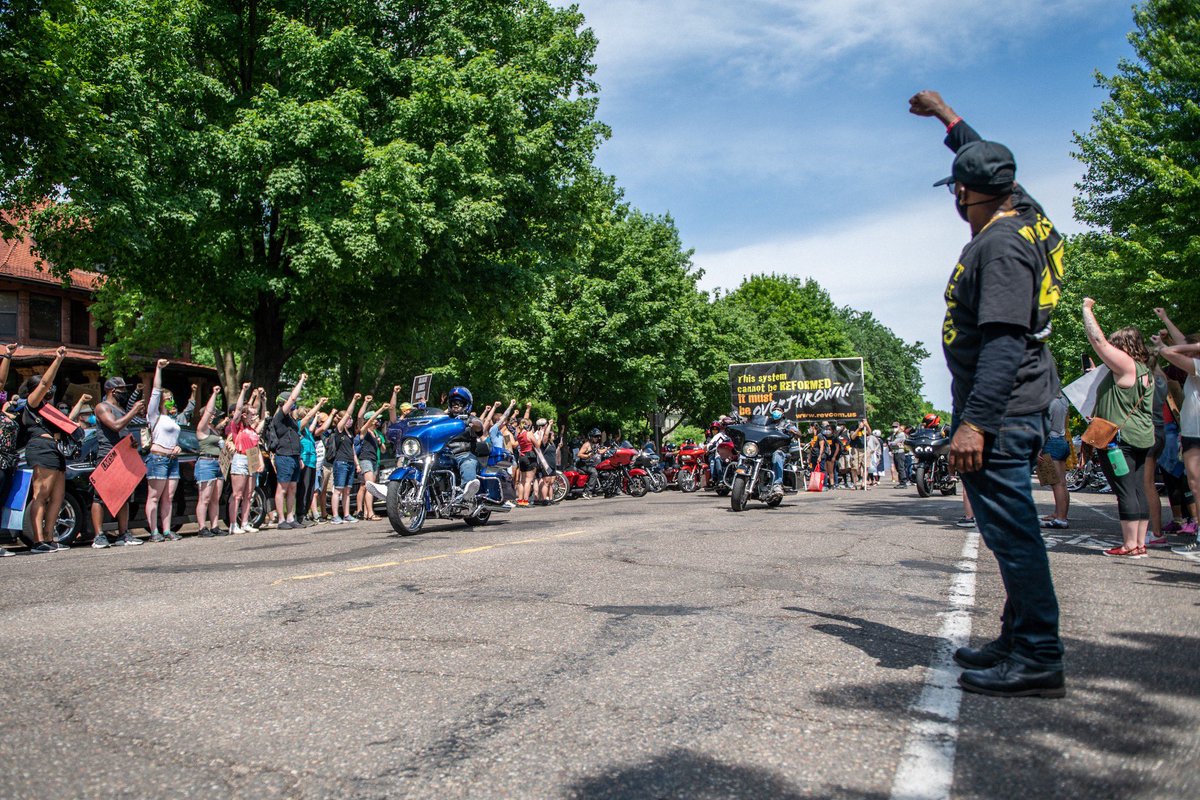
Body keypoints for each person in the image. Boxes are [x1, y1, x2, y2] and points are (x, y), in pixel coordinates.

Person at [912, 89, 1065, 698]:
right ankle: (1017, 634)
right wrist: (948, 117)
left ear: (963, 195)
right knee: (1009, 534)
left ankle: (1038, 655)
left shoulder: (1000, 248)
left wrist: (973, 423)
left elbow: (1003, 342)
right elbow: (985, 156)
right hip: (1018, 402)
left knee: (1012, 535)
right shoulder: (1026, 213)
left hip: (1000, 410)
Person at [1083, 299, 1155, 557]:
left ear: (1124, 347)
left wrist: (1086, 310)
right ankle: (1140, 543)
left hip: (1118, 441)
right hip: (1142, 437)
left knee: (1124, 490)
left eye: (1116, 347)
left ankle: (1129, 544)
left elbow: (1098, 341)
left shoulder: (1126, 366)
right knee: (1137, 489)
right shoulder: (1146, 370)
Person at [17, 347, 71, 553]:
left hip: (55, 450)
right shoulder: (31, 404)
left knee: (58, 496)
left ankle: (50, 536)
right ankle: (38, 541)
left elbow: (68, 425)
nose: (50, 391)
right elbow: (44, 382)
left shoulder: (49, 409)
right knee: (41, 494)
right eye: (47, 389)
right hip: (40, 448)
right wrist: (57, 360)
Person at [1156, 308, 1200, 556]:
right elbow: (1180, 343)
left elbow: (1170, 352)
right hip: (1192, 431)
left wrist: (1165, 344)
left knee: (1196, 485)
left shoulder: (1197, 366)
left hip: (1197, 433)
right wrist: (1165, 319)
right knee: (1194, 484)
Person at [143, 359, 185, 542]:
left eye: (172, 399)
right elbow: (155, 391)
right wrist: (159, 369)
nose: (171, 402)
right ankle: (153, 531)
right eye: (168, 399)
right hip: (158, 458)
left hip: (173, 459)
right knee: (154, 496)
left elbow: (175, 437)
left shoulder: (173, 420)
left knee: (169, 496)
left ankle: (167, 530)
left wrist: (178, 446)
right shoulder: (154, 416)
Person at [192, 386, 229, 538]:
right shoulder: (202, 428)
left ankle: (214, 526)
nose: (213, 415)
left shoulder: (213, 429)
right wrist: (214, 393)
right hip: (206, 463)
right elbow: (208, 411)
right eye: (211, 414)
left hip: (217, 463)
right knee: (204, 497)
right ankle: (202, 527)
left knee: (215, 498)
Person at [227, 383, 261, 534]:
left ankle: (245, 522)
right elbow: (239, 409)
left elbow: (256, 447)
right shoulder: (237, 427)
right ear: (245, 415)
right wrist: (244, 391)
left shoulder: (252, 429)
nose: (254, 416)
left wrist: (260, 397)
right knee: (237, 494)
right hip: (240, 458)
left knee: (249, 494)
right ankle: (233, 524)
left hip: (251, 458)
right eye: (251, 414)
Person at [442, 387, 483, 501]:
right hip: (444, 453)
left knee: (468, 463)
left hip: (463, 453)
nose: (456, 406)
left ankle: (466, 495)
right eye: (453, 403)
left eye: (459, 403)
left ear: (466, 405)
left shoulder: (470, 418)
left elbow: (479, 426)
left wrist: (471, 422)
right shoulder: (444, 419)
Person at [1039, 391, 1071, 530]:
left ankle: (1061, 519)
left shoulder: (1048, 402)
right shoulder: (1063, 400)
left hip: (1050, 442)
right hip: (1062, 440)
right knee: (1062, 483)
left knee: (1056, 484)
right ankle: (1060, 513)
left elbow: (1044, 428)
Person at [330, 394, 362, 524]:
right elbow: (348, 412)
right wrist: (354, 400)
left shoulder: (350, 434)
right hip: (340, 462)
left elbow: (353, 450)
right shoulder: (339, 430)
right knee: (338, 489)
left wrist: (357, 464)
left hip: (349, 462)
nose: (351, 421)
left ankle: (347, 514)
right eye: (348, 419)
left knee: (347, 490)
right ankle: (335, 515)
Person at [355, 406, 386, 520]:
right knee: (369, 486)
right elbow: (364, 420)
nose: (378, 421)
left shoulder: (377, 433)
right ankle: (370, 513)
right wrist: (381, 409)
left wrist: (380, 442)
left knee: (370, 486)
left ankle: (367, 513)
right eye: (376, 419)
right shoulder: (365, 431)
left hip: (374, 460)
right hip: (365, 459)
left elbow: (383, 450)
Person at [767, 407, 801, 494]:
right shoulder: (767, 423)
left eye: (778, 410)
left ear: (783, 413)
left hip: (782, 450)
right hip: (766, 449)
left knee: (777, 454)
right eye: (774, 410)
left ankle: (777, 484)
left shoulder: (787, 423)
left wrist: (794, 432)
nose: (776, 411)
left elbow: (799, 434)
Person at [576, 428, 603, 498]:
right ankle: (587, 492)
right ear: (591, 437)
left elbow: (600, 451)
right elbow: (579, 454)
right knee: (594, 473)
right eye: (596, 436)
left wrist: (609, 449)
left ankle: (596, 489)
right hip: (583, 465)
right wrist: (587, 455)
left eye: (598, 437)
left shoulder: (595, 445)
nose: (598, 438)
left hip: (591, 465)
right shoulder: (587, 445)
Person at [888, 422, 908, 487]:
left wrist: (891, 443)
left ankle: (903, 482)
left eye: (896, 427)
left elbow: (894, 443)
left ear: (899, 427)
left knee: (900, 468)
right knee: (898, 468)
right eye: (893, 427)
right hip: (896, 452)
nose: (894, 428)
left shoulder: (901, 434)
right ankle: (901, 482)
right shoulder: (894, 434)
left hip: (900, 452)